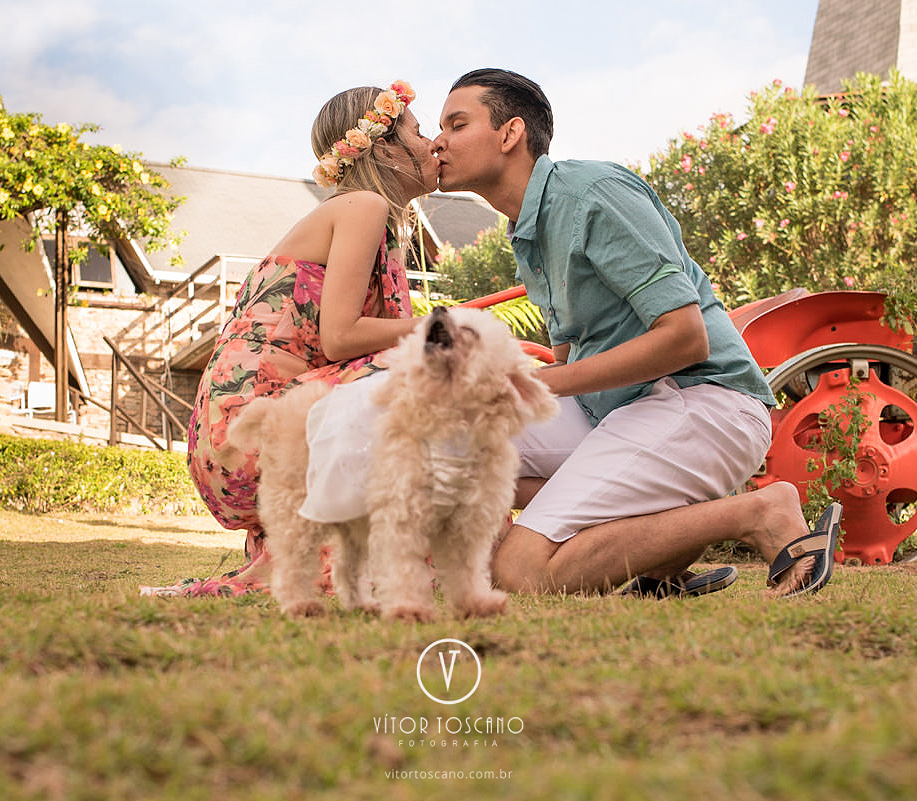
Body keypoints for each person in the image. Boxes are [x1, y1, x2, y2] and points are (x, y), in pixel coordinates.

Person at [430, 68, 841, 597]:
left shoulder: (592, 194)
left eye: (457, 125)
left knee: (522, 570)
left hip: (701, 398)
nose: (438, 141)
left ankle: (761, 512)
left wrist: (538, 382)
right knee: (455, 452)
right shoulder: (527, 229)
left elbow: (686, 338)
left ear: (510, 134)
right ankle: (660, 552)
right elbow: (569, 356)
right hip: (614, 411)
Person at [143, 81, 438, 597]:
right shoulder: (365, 206)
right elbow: (342, 337)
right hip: (252, 435)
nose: (433, 142)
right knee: (429, 369)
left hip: (233, 443)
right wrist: (442, 328)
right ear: (385, 148)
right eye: (418, 130)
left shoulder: (362, 213)